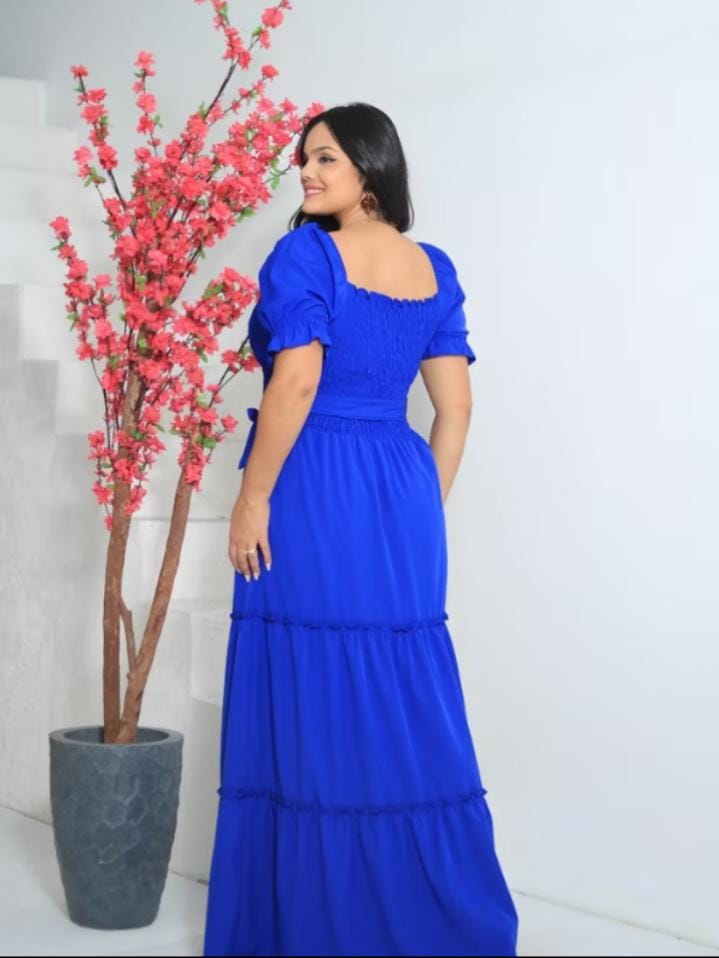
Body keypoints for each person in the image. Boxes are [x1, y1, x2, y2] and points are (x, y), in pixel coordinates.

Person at [203, 102, 519, 957]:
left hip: (312, 481)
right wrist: (419, 505)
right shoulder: (432, 267)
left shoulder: (306, 254)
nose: (306, 174)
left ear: (370, 168)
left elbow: (297, 382)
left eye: (326, 159)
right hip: (397, 492)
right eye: (304, 159)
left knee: (311, 684)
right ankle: (424, 914)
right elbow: (454, 410)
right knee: (396, 693)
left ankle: (314, 924)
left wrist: (253, 498)